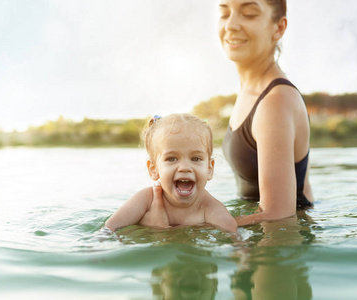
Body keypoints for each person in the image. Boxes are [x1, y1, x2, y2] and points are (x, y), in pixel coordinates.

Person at [218, 0, 314, 226]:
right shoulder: (251, 90)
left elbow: (278, 214)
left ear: (278, 28)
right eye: (224, 13)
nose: (230, 24)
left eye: (249, 14)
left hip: (282, 248)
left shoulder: (275, 101)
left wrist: (197, 226)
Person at [104, 113, 237, 233]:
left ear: (209, 168)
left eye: (195, 159)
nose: (185, 167)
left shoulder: (208, 206)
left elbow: (234, 236)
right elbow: (108, 230)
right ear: (154, 169)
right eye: (172, 159)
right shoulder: (146, 199)